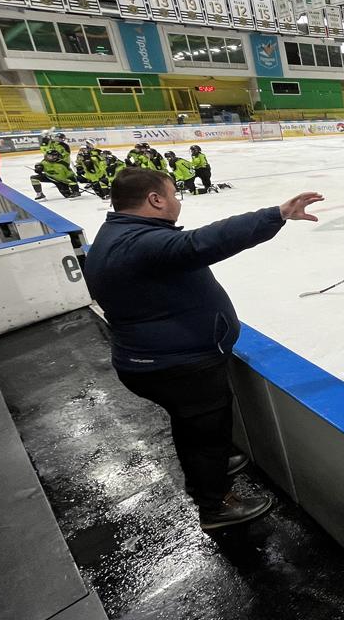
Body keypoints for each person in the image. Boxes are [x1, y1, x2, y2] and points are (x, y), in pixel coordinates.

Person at [83, 168, 323, 530]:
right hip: (178, 367)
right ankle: (216, 505)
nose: (178, 201)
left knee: (194, 428)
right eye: (174, 194)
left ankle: (212, 463)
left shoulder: (119, 232)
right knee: (204, 436)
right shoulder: (140, 243)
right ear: (155, 200)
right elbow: (201, 243)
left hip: (156, 359)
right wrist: (276, 215)